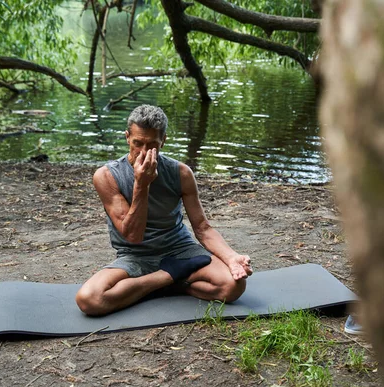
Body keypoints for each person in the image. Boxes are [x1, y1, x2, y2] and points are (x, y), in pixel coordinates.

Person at [76, 104, 252, 316]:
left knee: (234, 287)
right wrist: (141, 185)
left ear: (163, 142)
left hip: (179, 250)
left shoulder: (181, 173)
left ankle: (157, 286)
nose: (143, 151)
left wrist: (231, 256)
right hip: (135, 255)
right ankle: (169, 278)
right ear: (127, 137)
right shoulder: (106, 176)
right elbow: (133, 235)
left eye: (152, 145)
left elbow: (203, 228)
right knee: (89, 300)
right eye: (137, 143)